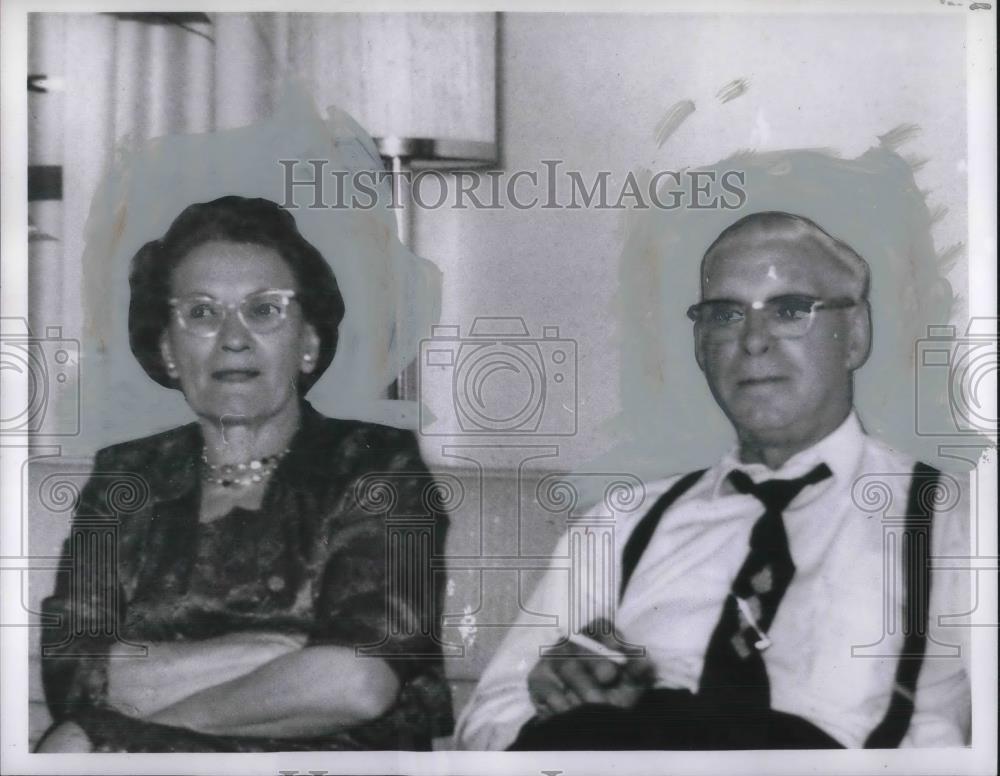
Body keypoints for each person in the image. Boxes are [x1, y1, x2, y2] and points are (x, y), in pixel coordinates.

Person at [455, 211, 970, 750]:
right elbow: (490, 718)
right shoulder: (622, 521)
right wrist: (551, 698)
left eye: (790, 310)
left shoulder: (956, 522)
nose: (753, 342)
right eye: (725, 315)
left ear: (855, 335)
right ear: (701, 346)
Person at [37, 195, 452, 752]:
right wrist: (282, 656)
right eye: (202, 312)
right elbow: (77, 674)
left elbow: (358, 684)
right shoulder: (126, 476)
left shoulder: (377, 465)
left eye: (264, 310)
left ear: (307, 343)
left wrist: (134, 734)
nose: (233, 337)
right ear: (167, 349)